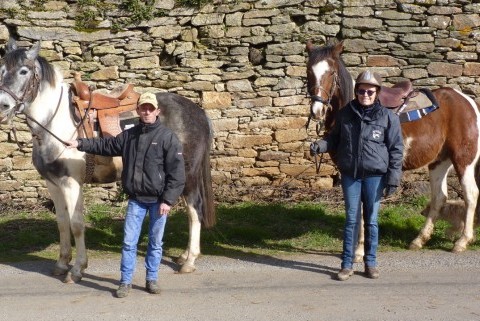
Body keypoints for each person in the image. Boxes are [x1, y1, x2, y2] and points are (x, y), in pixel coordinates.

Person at [66, 92, 186, 297]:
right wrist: (80, 143)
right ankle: (125, 281)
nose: (147, 111)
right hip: (136, 201)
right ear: (138, 110)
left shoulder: (167, 138)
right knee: (129, 243)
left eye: (150, 108)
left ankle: (152, 279)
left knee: (156, 244)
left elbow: (177, 173)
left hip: (158, 202)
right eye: (143, 108)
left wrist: (168, 200)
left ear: (157, 111)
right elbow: (106, 145)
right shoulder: (129, 135)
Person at [310, 70, 403, 281]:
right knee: (351, 220)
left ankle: (370, 262)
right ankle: (346, 264)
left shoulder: (388, 117)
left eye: (370, 91)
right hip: (351, 175)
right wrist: (320, 146)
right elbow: (333, 139)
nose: (366, 95)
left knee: (371, 220)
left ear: (377, 92)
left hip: (375, 177)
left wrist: (393, 179)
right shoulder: (344, 114)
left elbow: (396, 149)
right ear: (356, 92)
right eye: (361, 91)